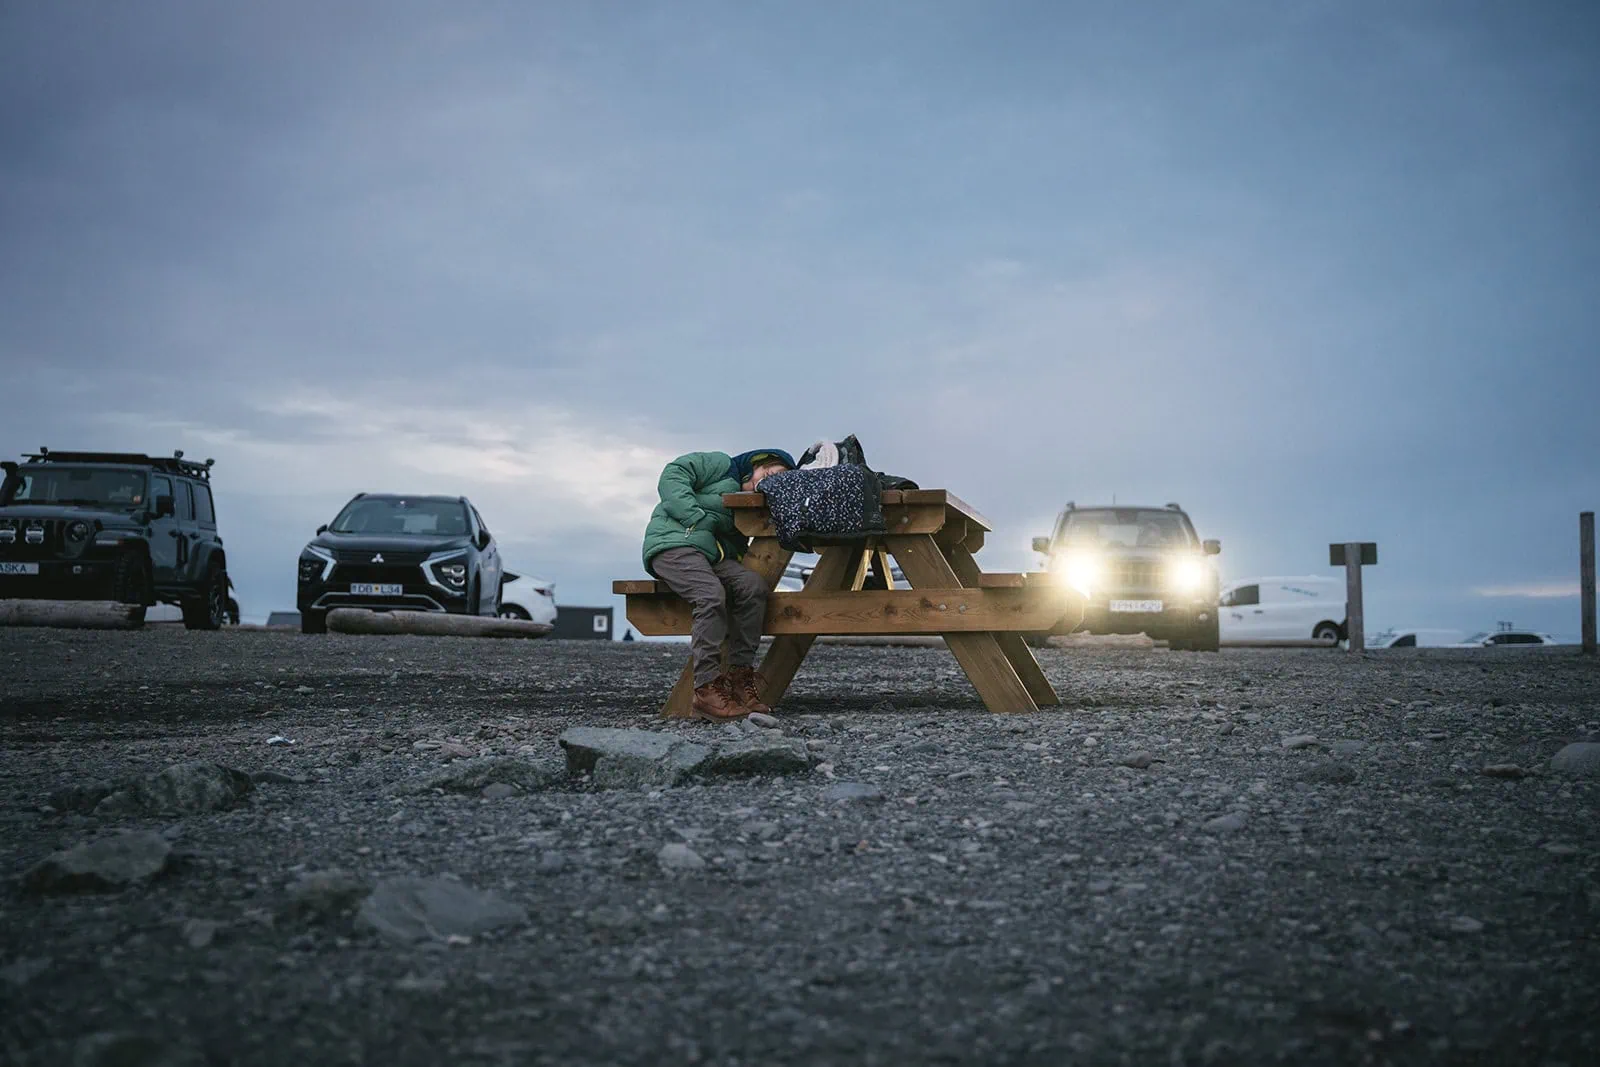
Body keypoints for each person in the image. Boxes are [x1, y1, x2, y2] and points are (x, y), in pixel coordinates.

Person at [642, 448, 796, 721]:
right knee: (710, 595)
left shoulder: (756, 502)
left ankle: (739, 679)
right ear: (758, 462)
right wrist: (695, 517)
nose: (770, 478)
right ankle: (706, 689)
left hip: (712, 557)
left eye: (778, 479)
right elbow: (674, 472)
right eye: (771, 470)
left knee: (752, 586)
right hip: (673, 544)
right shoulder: (722, 464)